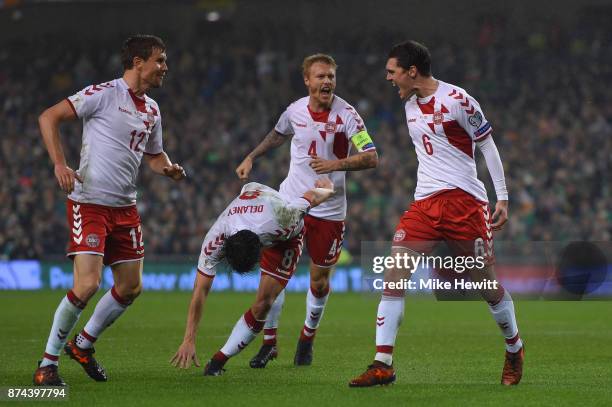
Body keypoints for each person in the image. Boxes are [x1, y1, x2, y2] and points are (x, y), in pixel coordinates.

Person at [348, 41, 524, 387]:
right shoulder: (409, 104)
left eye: (392, 72)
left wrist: (501, 197)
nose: (388, 78)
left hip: (464, 204)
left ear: (411, 71)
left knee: (484, 284)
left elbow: (486, 144)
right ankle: (383, 363)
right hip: (425, 203)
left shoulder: (458, 100)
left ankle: (514, 347)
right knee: (394, 272)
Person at [33, 35, 186, 386]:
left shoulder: (152, 109)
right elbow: (48, 117)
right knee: (87, 284)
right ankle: (46, 364)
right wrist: (60, 164)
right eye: (160, 60)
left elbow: (153, 155)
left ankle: (83, 345)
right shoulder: (104, 94)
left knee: (131, 287)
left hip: (125, 208)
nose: (165, 67)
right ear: (137, 62)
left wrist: (169, 168)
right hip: (89, 203)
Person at [235, 54, 378, 368]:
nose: (327, 82)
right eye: (320, 76)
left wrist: (334, 165)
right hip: (290, 205)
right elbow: (277, 134)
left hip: (328, 210)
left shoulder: (348, 116)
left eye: (331, 76)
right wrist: (252, 156)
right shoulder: (295, 110)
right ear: (307, 81)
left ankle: (307, 337)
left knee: (319, 282)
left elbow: (371, 156)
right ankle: (270, 342)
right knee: (272, 278)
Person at [170, 180, 335, 375]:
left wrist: (329, 189)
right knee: (263, 303)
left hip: (285, 235)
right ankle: (261, 346)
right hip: (253, 205)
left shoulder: (284, 217)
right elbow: (200, 290)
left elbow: (312, 196)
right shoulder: (216, 237)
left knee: (264, 302)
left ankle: (218, 361)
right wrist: (188, 339)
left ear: (261, 251)